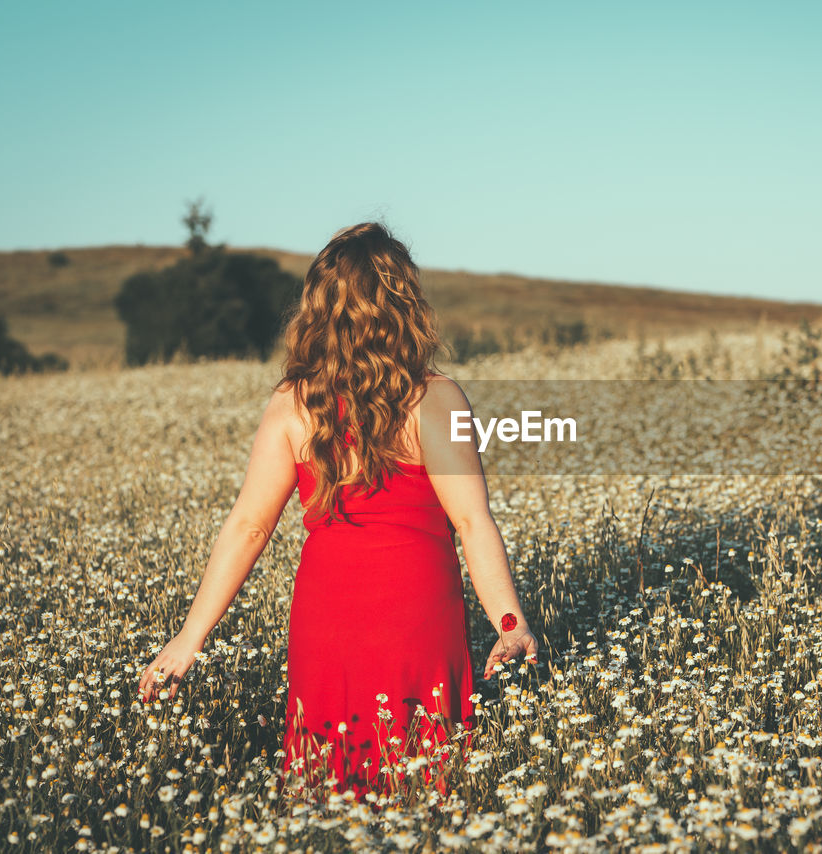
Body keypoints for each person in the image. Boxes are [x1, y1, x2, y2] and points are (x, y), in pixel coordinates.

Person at [136, 221, 539, 803]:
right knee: (425, 787)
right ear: (405, 303)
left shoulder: (292, 405)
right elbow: (473, 522)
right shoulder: (437, 398)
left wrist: (187, 639)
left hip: (328, 618)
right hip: (417, 615)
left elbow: (249, 527)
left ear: (317, 310)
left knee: (326, 784)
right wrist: (510, 623)